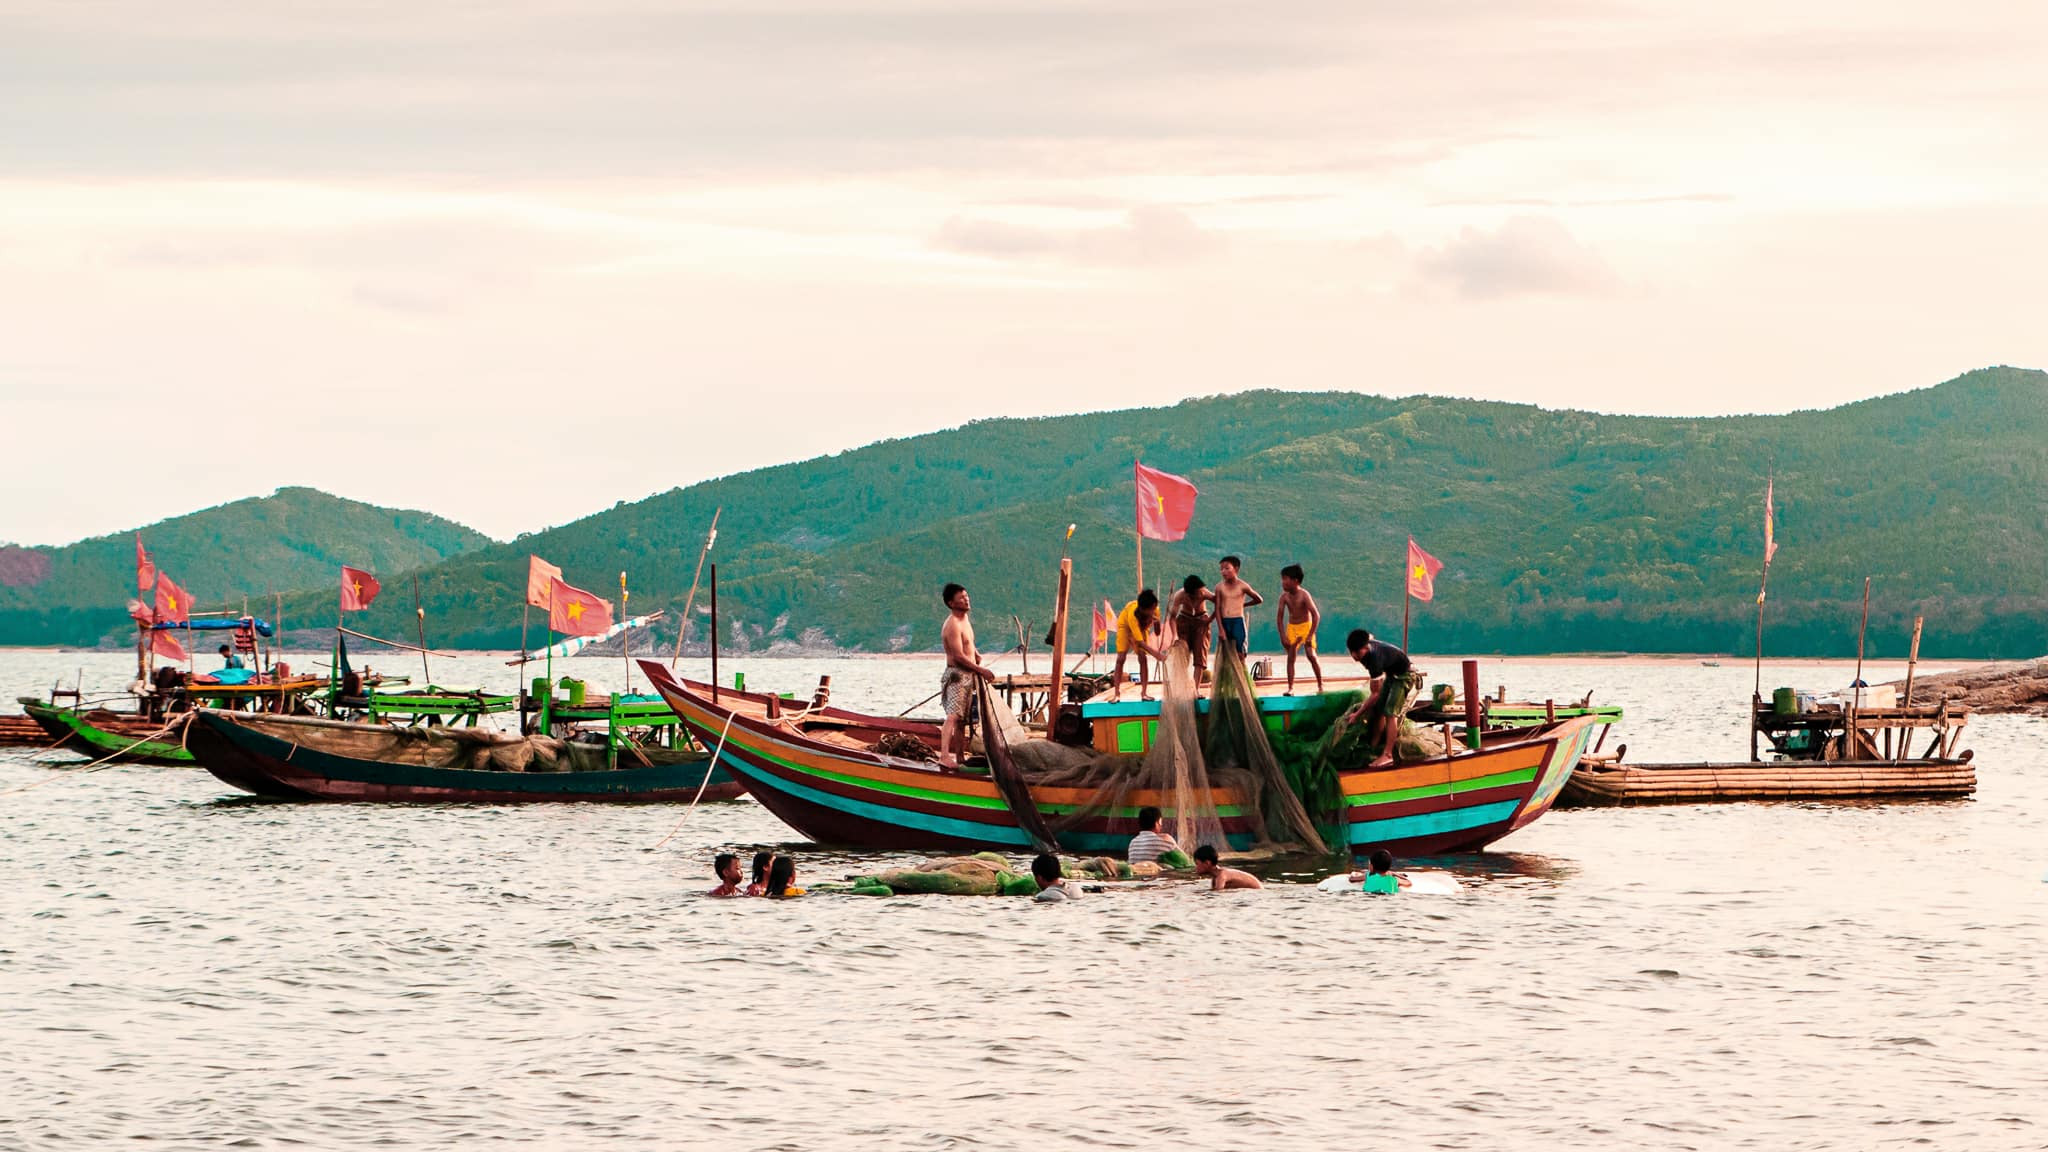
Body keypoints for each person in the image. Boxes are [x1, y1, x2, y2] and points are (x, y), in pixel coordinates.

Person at [937, 583, 996, 767]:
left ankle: (960, 757)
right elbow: (958, 656)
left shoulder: (965, 619)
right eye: (961, 598)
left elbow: (968, 644)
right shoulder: (952, 624)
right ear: (951, 603)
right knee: (953, 716)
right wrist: (982, 671)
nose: (966, 599)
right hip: (957, 675)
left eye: (966, 596)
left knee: (962, 720)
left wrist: (976, 654)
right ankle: (944, 756)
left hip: (968, 675)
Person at [1345, 629, 1413, 768]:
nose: (1354, 656)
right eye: (1351, 652)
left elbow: (1375, 694)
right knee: (1379, 710)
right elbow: (1369, 635)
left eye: (1357, 652)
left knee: (1390, 712)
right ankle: (1374, 746)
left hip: (1404, 676)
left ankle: (1387, 755)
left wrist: (1357, 714)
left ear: (1366, 647)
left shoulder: (1374, 659)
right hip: (1391, 674)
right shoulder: (1366, 645)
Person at [1274, 564, 1324, 695]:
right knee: (1291, 657)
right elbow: (1279, 618)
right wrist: (1283, 636)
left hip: (1306, 627)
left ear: (1295, 581)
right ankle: (1290, 687)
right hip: (1292, 628)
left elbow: (1316, 615)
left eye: (1286, 579)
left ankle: (1320, 684)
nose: (1283, 582)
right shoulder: (1284, 597)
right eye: (1282, 579)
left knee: (1311, 655)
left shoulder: (1304, 595)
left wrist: (1309, 635)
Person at [1110, 589, 1166, 700]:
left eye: (1154, 608)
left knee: (1142, 657)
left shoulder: (1155, 610)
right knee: (1121, 658)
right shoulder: (1132, 614)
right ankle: (1116, 693)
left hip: (1141, 628)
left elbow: (1157, 632)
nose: (1153, 611)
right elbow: (1140, 642)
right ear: (1142, 609)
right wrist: (1156, 655)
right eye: (1151, 610)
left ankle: (1144, 693)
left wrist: (1157, 623)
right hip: (1125, 627)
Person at [1212, 556, 1263, 659]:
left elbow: (1259, 599)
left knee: (1240, 653)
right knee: (1226, 653)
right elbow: (1217, 609)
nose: (1223, 572)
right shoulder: (1219, 587)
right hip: (1225, 621)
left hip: (1238, 621)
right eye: (1221, 569)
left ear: (1236, 569)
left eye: (1227, 568)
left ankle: (1241, 673)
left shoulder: (1243, 586)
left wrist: (1244, 604)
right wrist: (1221, 629)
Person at [1166, 575, 1214, 683]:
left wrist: (1210, 619)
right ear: (1188, 593)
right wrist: (1175, 635)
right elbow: (1172, 617)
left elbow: (1219, 603)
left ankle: (1195, 689)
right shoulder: (1180, 595)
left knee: (1200, 658)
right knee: (1182, 656)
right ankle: (1182, 686)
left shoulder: (1204, 592)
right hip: (1184, 621)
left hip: (1201, 622)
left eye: (1199, 592)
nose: (1198, 595)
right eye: (1195, 594)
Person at [1192, 845, 1263, 890]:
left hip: (1258, 891)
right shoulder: (1215, 878)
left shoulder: (1221, 876)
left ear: (1207, 863)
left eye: (1197, 864)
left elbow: (1218, 895)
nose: (1196, 867)